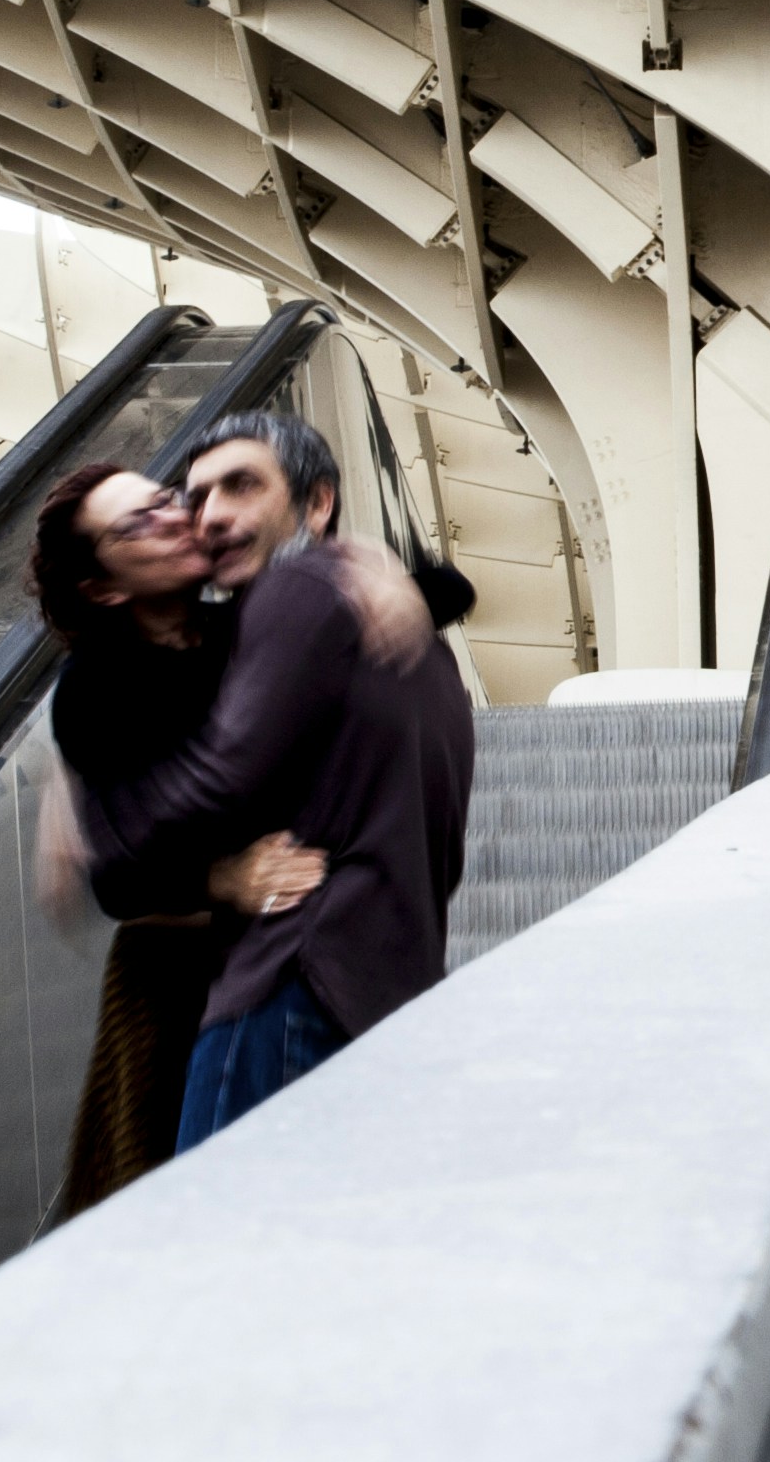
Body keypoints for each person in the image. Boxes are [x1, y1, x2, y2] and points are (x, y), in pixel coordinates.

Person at [70, 413, 477, 1150]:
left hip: (292, 979)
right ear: (99, 585)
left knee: (220, 1248)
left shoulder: (292, 597)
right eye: (194, 497)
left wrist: (106, 837)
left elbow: (217, 783)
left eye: (241, 485)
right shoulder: (406, 641)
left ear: (317, 504)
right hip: (374, 989)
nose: (208, 515)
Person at [24, 463, 263, 1224]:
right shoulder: (98, 686)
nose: (172, 516)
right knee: (174, 1221)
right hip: (177, 989)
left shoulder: (253, 629)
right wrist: (223, 878)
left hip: (290, 957)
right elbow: (121, 882)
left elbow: (440, 593)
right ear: (103, 586)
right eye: (137, 523)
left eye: (165, 500)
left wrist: (368, 569)